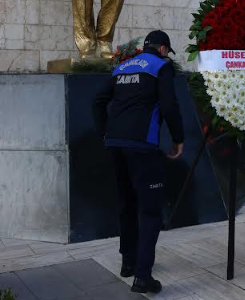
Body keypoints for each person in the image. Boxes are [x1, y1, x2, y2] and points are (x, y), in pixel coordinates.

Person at [93, 30, 185, 294]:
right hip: (142, 147)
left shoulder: (121, 67)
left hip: (115, 144)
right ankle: (143, 277)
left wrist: (104, 132)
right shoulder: (161, 67)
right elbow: (169, 106)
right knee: (150, 211)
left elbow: (98, 101)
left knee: (126, 203)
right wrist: (178, 138)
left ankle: (128, 262)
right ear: (163, 49)